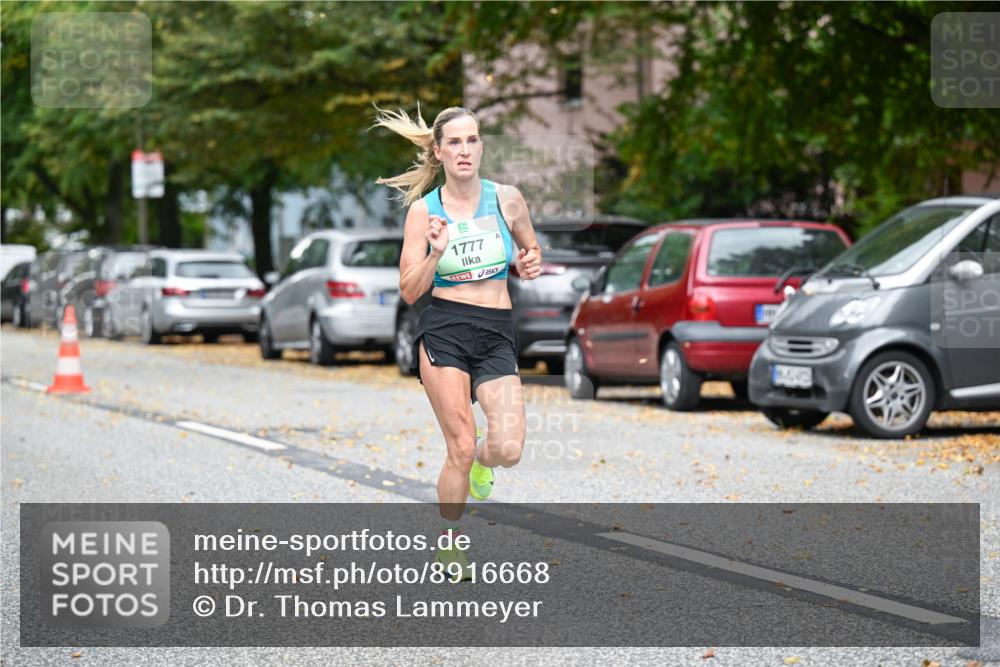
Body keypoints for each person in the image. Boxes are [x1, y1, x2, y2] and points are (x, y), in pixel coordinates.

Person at [373, 105, 541, 577]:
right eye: (455, 142)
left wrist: (530, 262)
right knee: (461, 445)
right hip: (445, 329)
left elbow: (530, 249)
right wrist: (437, 253)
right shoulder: (424, 212)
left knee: (506, 448)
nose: (464, 150)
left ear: (481, 147)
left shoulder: (507, 199)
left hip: (495, 331)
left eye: (472, 141)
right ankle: (451, 543)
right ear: (439, 151)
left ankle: (484, 465)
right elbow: (409, 290)